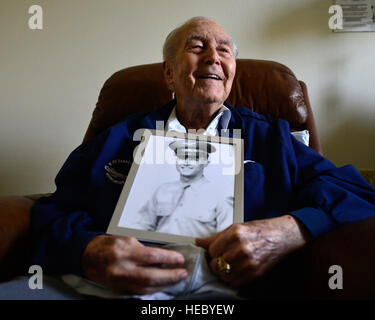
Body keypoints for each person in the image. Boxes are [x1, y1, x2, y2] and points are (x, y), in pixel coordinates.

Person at [30, 16, 375, 296]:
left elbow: (356, 191)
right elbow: (51, 210)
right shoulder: (118, 137)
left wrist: (291, 230)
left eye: (225, 51)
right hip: (108, 290)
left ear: (231, 71)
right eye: (197, 47)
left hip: (230, 293)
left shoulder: (270, 137)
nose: (214, 57)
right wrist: (87, 250)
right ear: (168, 72)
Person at [123, 140, 233, 237]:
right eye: (181, 157)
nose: (186, 162)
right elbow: (141, 225)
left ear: (206, 163)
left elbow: (226, 238)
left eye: (194, 158)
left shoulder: (220, 195)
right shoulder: (163, 190)